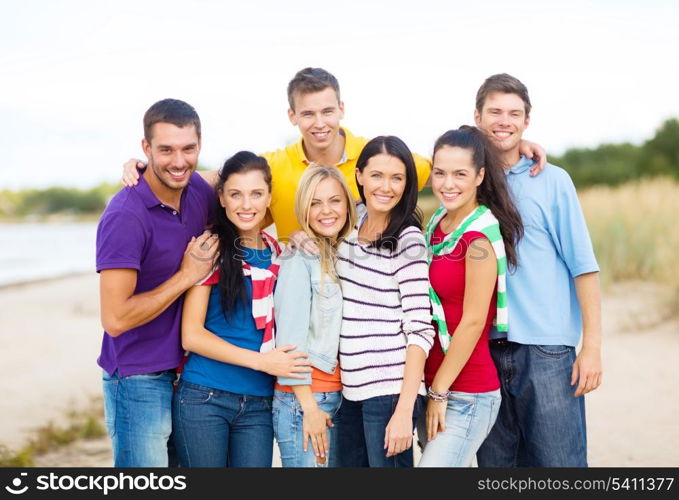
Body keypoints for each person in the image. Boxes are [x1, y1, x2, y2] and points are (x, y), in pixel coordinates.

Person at [121, 68, 547, 241]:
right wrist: (147, 172)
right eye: (308, 113)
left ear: (342, 109)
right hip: (301, 305)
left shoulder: (379, 158)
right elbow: (214, 179)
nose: (319, 121)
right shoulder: (273, 165)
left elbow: (453, 163)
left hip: (367, 305)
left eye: (328, 110)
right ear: (292, 115)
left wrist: (508, 146)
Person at [472, 74, 602, 467]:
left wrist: (592, 347)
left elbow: (584, 268)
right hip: (484, 352)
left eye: (514, 114)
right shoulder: (467, 182)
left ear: (527, 121)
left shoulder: (552, 180)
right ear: (477, 117)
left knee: (559, 467)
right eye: (494, 112)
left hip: (547, 351)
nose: (504, 121)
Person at [96, 98, 220, 467]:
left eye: (188, 149)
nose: (179, 162)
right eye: (165, 150)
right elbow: (115, 319)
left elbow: (252, 179)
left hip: (193, 373)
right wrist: (186, 277)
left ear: (200, 145)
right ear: (145, 149)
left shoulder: (199, 190)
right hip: (138, 378)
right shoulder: (125, 215)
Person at [174, 151, 312, 467]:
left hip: (260, 403)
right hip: (205, 396)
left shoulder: (281, 253)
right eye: (235, 194)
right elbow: (191, 336)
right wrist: (263, 362)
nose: (246, 205)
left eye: (256, 194)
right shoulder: (211, 250)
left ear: (269, 198)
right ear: (221, 197)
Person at [417, 126, 523, 467]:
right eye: (440, 173)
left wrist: (439, 392)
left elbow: (474, 321)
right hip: (432, 384)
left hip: (465, 393)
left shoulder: (478, 238)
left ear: (479, 175)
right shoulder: (437, 223)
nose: (448, 184)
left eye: (460, 174)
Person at [335, 135, 435, 467]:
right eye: (377, 175)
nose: (386, 187)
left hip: (390, 392)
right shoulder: (348, 227)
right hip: (350, 391)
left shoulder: (408, 240)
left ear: (407, 184)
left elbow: (420, 329)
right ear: (359, 175)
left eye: (397, 178)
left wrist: (405, 410)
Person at [272, 164, 357, 467]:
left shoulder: (339, 253)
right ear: (303, 209)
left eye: (334, 200)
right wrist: (308, 407)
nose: (326, 211)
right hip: (305, 399)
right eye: (315, 203)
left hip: (335, 395)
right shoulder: (299, 260)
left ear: (348, 204)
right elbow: (289, 342)